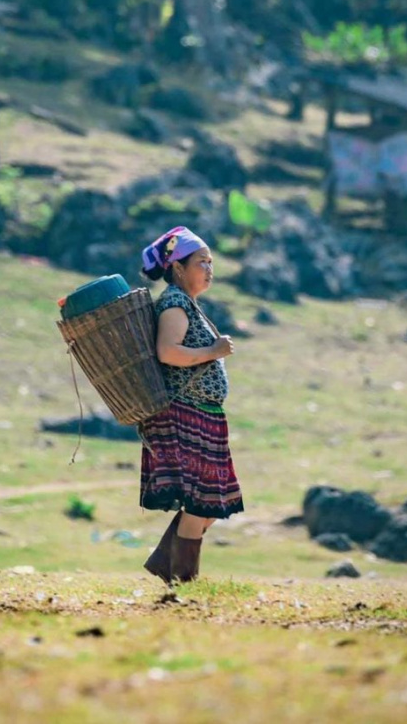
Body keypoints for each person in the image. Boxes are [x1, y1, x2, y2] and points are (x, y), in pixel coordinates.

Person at [139, 225, 244, 583]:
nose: (210, 269)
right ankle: (183, 580)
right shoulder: (174, 303)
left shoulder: (187, 304)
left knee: (212, 503)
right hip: (186, 413)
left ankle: (165, 564)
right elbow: (168, 352)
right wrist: (213, 351)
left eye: (212, 262)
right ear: (179, 268)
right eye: (202, 262)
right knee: (202, 503)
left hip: (204, 414)